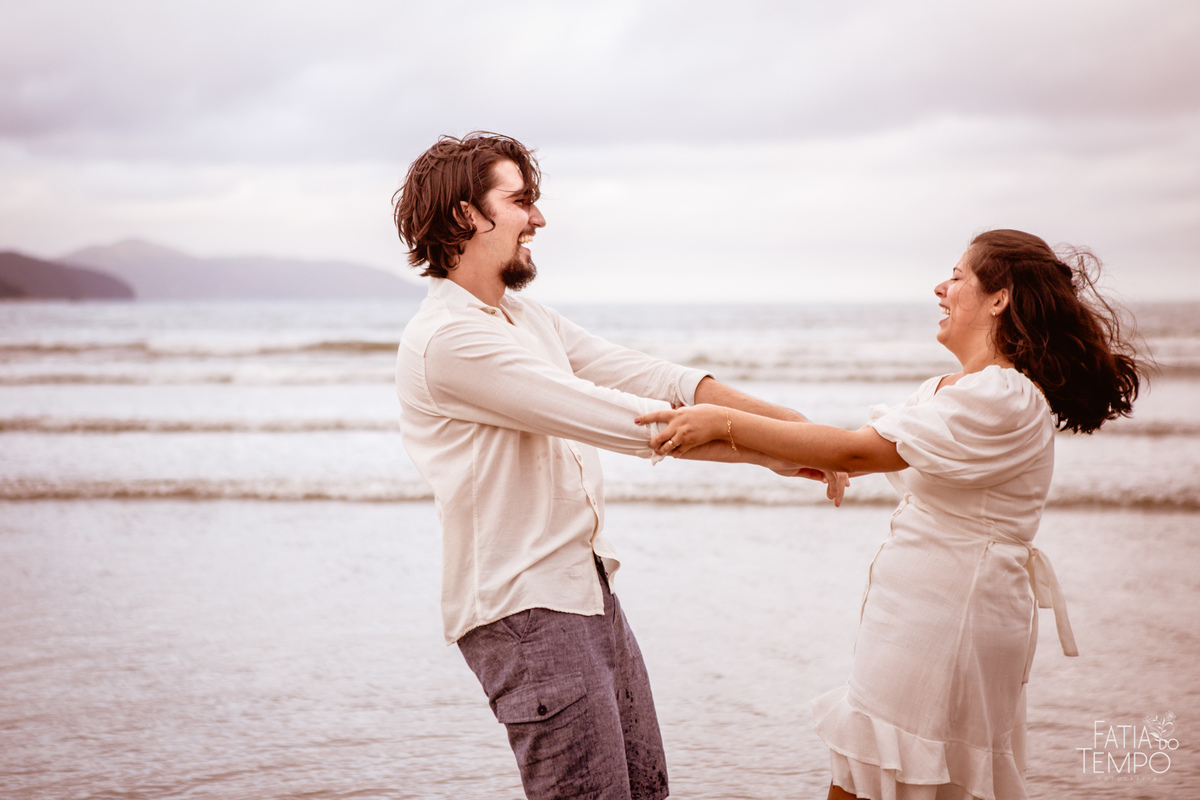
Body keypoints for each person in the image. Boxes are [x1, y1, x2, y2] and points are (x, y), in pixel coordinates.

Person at [391, 131, 845, 800]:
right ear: (465, 215)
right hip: (525, 613)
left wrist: (793, 425)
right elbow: (628, 421)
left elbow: (658, 379)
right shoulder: (450, 340)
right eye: (521, 202)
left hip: (586, 594)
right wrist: (786, 451)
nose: (538, 219)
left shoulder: (519, 316)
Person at [637, 229, 1146, 800]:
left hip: (953, 615)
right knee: (883, 775)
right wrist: (727, 440)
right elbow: (846, 445)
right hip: (922, 610)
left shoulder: (1004, 396)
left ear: (1000, 297)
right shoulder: (954, 389)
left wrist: (724, 422)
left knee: (884, 777)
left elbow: (858, 451)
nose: (940, 287)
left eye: (957, 276)